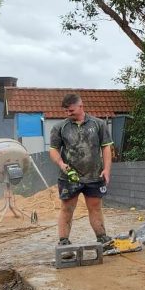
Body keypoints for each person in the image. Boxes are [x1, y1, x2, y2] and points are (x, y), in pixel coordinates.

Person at [49, 93, 114, 247]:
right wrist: (60, 163)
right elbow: (53, 150)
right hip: (69, 177)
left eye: (71, 110)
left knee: (95, 208)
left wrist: (106, 169)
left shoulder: (98, 124)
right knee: (67, 209)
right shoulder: (60, 127)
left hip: (94, 175)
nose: (68, 114)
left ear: (81, 106)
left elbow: (106, 148)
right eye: (66, 111)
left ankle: (102, 238)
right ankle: (64, 241)